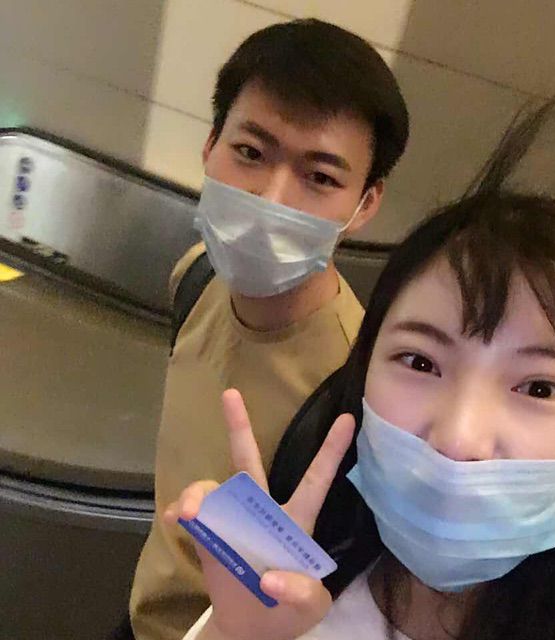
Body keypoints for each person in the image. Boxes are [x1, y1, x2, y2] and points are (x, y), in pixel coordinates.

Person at [169, 100, 555, 640]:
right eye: (420, 362)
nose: (458, 441)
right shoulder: (285, 590)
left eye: (540, 387)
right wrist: (237, 634)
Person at [129, 18, 409, 640]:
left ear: (365, 203)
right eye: (251, 153)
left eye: (321, 178)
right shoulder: (196, 276)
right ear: (210, 145)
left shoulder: (354, 395)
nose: (272, 199)